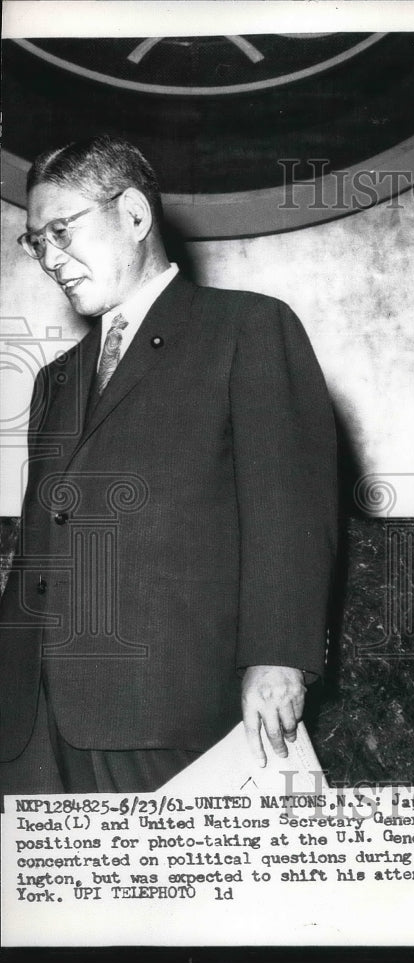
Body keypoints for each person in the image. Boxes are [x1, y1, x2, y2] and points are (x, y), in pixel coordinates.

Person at [0, 135, 337, 794]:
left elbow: (290, 508)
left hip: (164, 709)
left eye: (61, 230)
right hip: (29, 721)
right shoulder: (55, 378)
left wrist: (278, 657)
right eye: (36, 242)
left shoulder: (246, 328)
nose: (49, 258)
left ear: (133, 214)